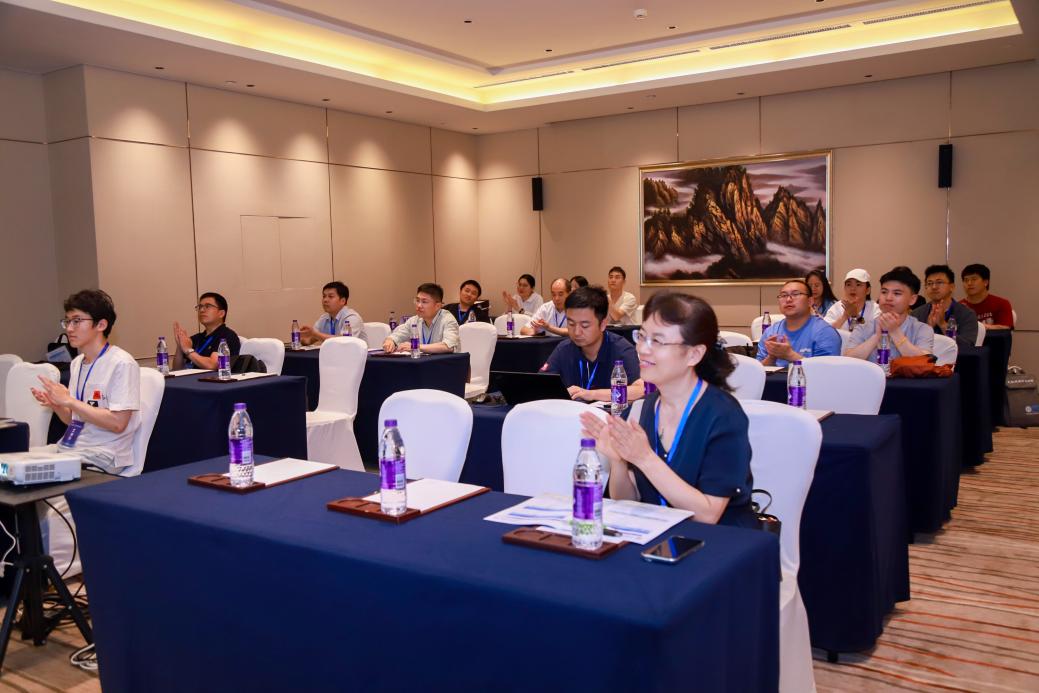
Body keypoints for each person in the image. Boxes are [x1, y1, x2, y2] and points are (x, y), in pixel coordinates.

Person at [579, 292, 755, 527]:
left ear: (694, 354)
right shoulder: (642, 408)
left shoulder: (723, 415)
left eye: (658, 341)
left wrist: (644, 457)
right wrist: (617, 459)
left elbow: (707, 515)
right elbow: (628, 502)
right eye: (642, 336)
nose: (643, 349)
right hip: (657, 535)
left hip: (719, 541)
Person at [31, 289, 140, 474]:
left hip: (104, 454)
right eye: (67, 321)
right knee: (9, 463)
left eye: (77, 321)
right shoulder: (77, 363)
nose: (69, 328)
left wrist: (69, 401)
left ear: (101, 324)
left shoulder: (121, 363)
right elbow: (73, 420)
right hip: (71, 448)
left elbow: (118, 423)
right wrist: (57, 405)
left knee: (27, 472)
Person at [540, 286, 643, 402]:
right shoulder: (564, 348)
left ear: (603, 324)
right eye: (571, 324)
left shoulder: (621, 349)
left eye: (585, 326)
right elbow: (541, 385)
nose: (576, 332)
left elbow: (641, 389)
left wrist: (592, 394)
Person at [846, 267, 934, 363]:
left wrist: (894, 331)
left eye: (897, 293)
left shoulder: (922, 329)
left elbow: (925, 363)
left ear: (912, 299)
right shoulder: (863, 328)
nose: (888, 298)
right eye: (884, 292)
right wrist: (877, 336)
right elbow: (847, 361)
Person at [757, 280, 842, 367]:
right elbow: (757, 370)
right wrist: (772, 357)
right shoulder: (770, 332)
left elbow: (827, 371)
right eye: (784, 295)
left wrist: (789, 355)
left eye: (795, 294)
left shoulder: (825, 332)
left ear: (810, 301)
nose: (788, 299)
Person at [911, 264, 979, 346]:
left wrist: (943, 324)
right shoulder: (916, 314)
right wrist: (928, 328)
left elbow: (967, 346)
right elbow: (910, 345)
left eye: (939, 282)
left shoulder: (967, 314)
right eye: (929, 283)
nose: (934, 287)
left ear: (952, 287)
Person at [383, 283, 460, 353]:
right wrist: (390, 341)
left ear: (438, 306)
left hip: (445, 363)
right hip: (422, 362)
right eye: (417, 300)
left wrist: (416, 346)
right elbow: (396, 336)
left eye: (424, 302)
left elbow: (448, 346)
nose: (419, 305)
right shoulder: (414, 320)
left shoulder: (448, 319)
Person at [172, 292, 241, 370]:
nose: (201, 310)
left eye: (207, 306)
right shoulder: (197, 338)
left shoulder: (227, 336)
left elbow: (212, 365)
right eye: (200, 307)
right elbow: (177, 369)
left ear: (221, 313)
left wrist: (188, 350)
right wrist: (180, 346)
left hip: (215, 377)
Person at [300, 281, 366, 345]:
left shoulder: (352, 318)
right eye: (324, 296)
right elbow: (309, 340)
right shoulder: (324, 318)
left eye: (330, 296)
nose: (325, 300)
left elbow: (344, 341)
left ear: (342, 301)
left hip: (355, 352)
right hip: (335, 352)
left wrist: (315, 334)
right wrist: (301, 337)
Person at [960, 263, 1014, 330]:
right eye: (966, 280)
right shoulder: (959, 307)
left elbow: (1005, 328)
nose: (969, 283)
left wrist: (978, 327)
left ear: (985, 282)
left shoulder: (1001, 304)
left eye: (974, 279)